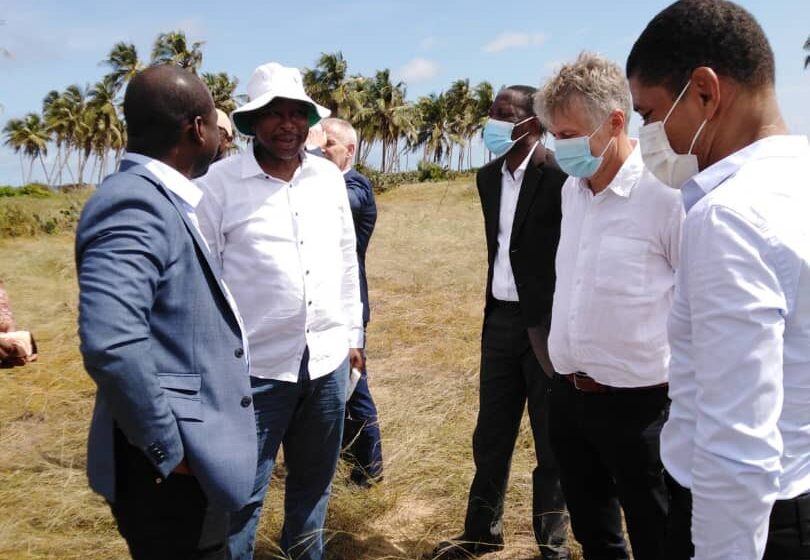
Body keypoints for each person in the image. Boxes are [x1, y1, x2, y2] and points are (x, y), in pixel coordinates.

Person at [626, 1, 810, 558]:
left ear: (705, 92)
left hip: (750, 522)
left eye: (650, 113)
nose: (649, 134)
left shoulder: (727, 216)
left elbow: (737, 445)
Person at [75, 65, 257, 560]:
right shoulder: (135, 203)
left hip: (188, 464)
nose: (221, 136)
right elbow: (112, 343)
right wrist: (168, 450)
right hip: (171, 475)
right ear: (196, 129)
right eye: (214, 124)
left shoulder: (164, 199)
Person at [196, 62, 364, 560]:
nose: (287, 124)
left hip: (328, 363)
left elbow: (345, 260)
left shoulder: (328, 180)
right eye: (274, 114)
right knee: (239, 499)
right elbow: (203, 284)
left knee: (313, 492)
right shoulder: (219, 185)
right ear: (250, 123)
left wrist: (353, 337)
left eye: (297, 113)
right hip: (254, 373)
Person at [537, 52, 682, 560]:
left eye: (569, 134)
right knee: (595, 532)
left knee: (657, 534)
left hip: (643, 409)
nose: (560, 147)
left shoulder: (666, 196)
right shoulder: (572, 193)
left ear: (615, 122)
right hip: (571, 398)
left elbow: (696, 301)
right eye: (554, 135)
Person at [432, 85, 569, 560]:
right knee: (490, 436)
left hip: (548, 329)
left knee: (551, 443)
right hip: (500, 323)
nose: (493, 123)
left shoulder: (560, 174)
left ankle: (553, 547)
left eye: (504, 115)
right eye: (491, 113)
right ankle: (480, 535)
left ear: (531, 123)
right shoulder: (487, 177)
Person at [320, 116, 383, 487]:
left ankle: (369, 469)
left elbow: (342, 202)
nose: (320, 150)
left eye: (328, 144)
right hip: (323, 306)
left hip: (347, 310)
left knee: (354, 388)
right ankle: (346, 460)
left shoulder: (353, 186)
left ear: (350, 150)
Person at [0, 280, 34, 367]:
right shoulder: (3, 291)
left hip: (3, 323)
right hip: (9, 322)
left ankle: (10, 359)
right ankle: (18, 357)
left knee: (6, 343)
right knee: (10, 341)